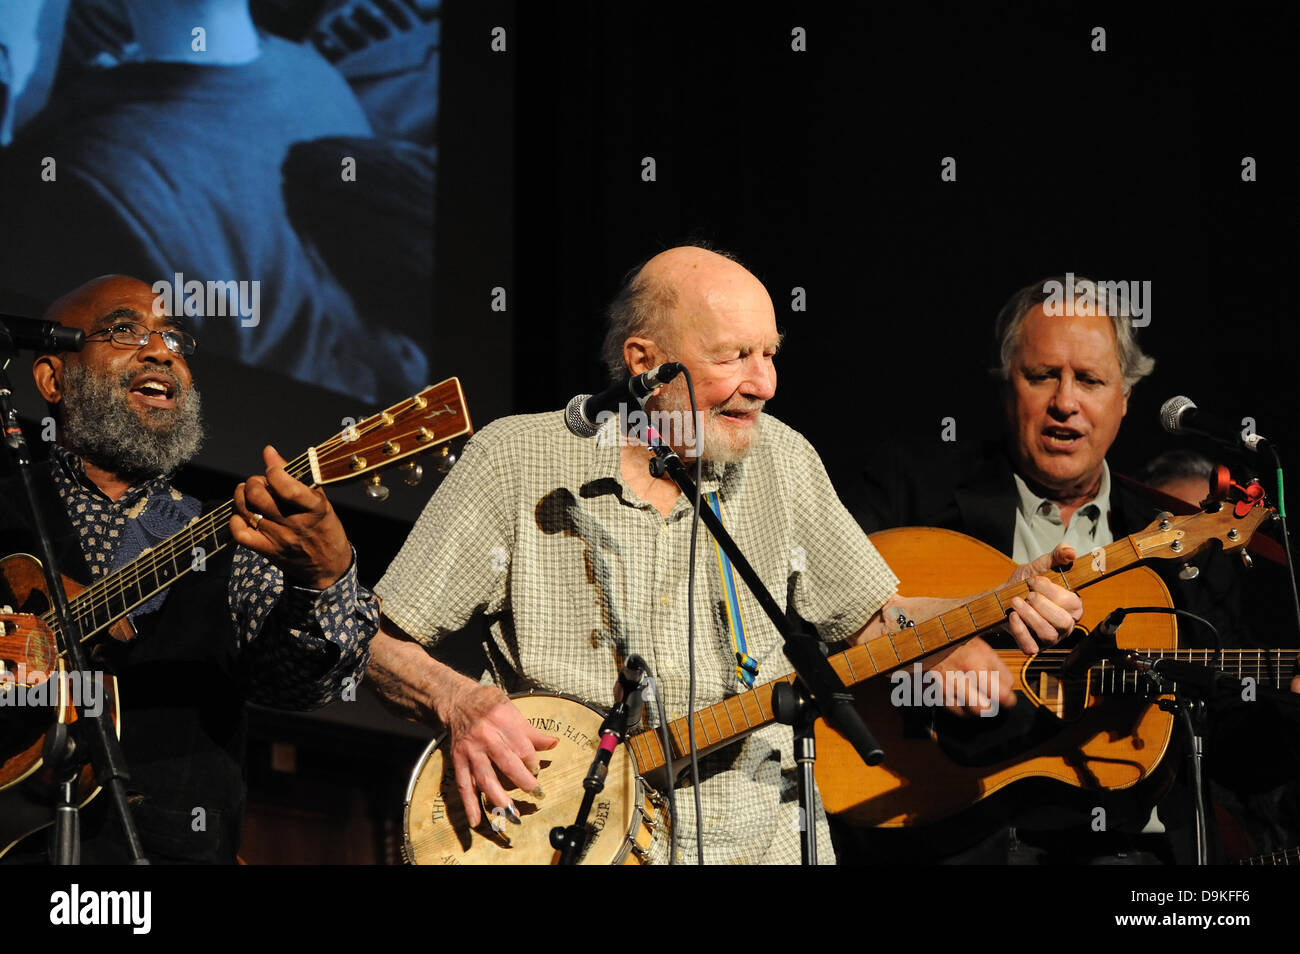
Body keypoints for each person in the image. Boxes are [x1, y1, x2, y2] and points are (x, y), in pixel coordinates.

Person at [365, 246, 1083, 864]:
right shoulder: (516, 460)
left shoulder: (786, 462)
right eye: (734, 356)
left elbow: (876, 619)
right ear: (643, 363)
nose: (763, 384)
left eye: (769, 355)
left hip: (760, 842)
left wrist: (996, 599)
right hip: (566, 840)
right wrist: (459, 701)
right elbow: (373, 642)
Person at [847, 275, 1299, 863]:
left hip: (1138, 856)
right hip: (956, 836)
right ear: (1005, 384)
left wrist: (1288, 712)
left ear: (1125, 398)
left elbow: (1228, 744)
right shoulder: (912, 487)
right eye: (1042, 376)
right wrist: (925, 641)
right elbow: (809, 601)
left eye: (1089, 379)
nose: (1065, 402)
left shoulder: (1183, 536)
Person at [0, 274, 379, 863]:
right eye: (124, 330)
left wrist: (324, 578)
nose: (161, 352)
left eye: (175, 340)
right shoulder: (6, 510)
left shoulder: (232, 536)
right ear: (53, 377)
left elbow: (299, 682)